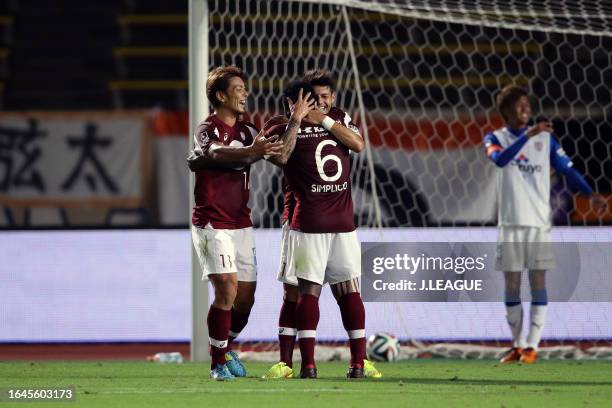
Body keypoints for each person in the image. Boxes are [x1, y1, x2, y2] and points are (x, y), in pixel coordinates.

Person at [264, 72, 380, 379]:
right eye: (315, 98)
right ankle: (294, 364)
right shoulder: (280, 125)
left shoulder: (338, 119)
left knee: (325, 290)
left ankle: (341, 362)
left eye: (327, 97)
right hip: (308, 220)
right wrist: (299, 121)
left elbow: (357, 143)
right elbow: (282, 156)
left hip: (327, 223)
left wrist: (321, 119)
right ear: (299, 100)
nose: (322, 103)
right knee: (307, 291)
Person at [484, 85, 606, 364]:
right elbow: (500, 160)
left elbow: (568, 170)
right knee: (512, 285)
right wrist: (528, 135)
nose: (527, 110)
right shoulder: (495, 138)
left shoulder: (546, 141)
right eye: (520, 105)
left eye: (528, 104)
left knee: (538, 282)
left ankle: (532, 346)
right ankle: (516, 344)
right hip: (511, 224)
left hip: (539, 223)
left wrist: (590, 194)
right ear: (506, 111)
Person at [189, 65, 283, 380]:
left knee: (246, 298)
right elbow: (214, 153)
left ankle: (225, 347)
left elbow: (277, 156)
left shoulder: (247, 130)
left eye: (245, 88)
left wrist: (293, 124)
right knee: (226, 290)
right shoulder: (207, 128)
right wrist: (253, 151)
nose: (245, 94)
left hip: (241, 222)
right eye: (239, 88)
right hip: (212, 222)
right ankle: (217, 364)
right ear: (220, 95)